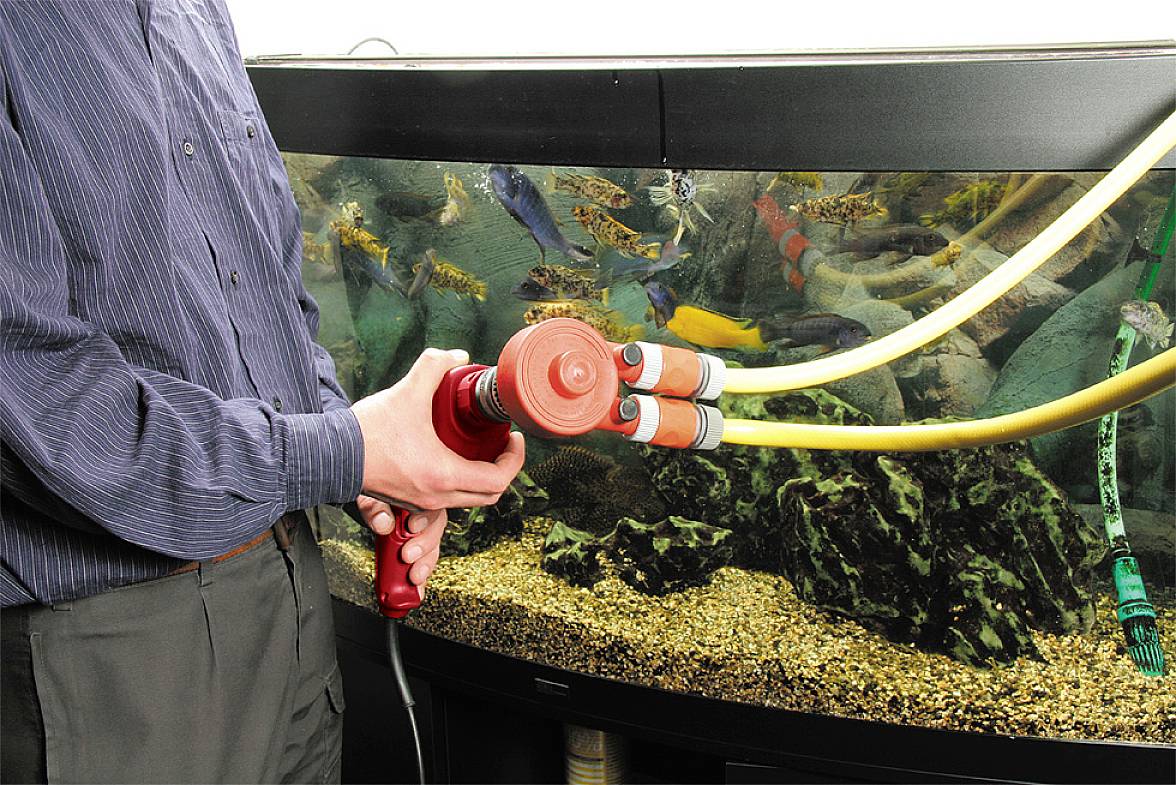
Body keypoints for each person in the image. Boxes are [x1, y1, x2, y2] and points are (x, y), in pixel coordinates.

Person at [0, 2, 525, 782]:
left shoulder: (195, 12)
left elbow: (275, 290)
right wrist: (342, 450)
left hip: (291, 589)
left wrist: (368, 453)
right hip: (117, 647)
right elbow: (42, 399)